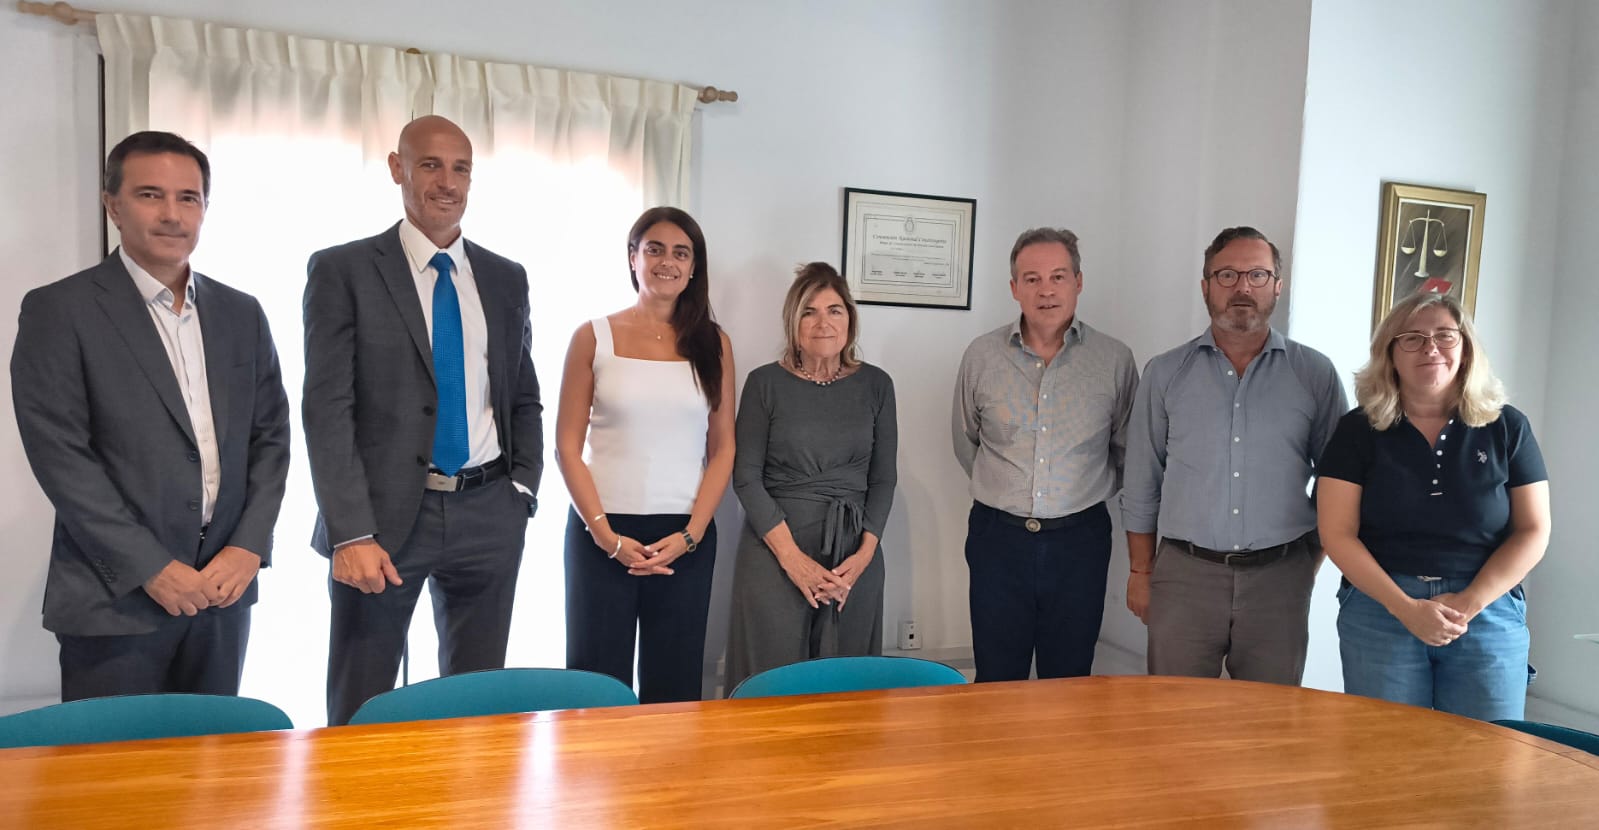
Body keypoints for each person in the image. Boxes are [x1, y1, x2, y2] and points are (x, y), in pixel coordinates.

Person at [11, 130, 291, 700]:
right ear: (112, 205)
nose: (171, 214)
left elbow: (270, 440)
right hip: (115, 601)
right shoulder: (59, 310)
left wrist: (248, 547)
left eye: (188, 197)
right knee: (113, 760)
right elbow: (63, 459)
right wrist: (151, 568)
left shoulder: (242, 313)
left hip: (222, 593)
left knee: (214, 754)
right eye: (149, 195)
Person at [303, 115, 542, 726]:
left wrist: (521, 491)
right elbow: (327, 410)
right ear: (397, 169)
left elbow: (522, 395)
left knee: (475, 708)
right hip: (381, 523)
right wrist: (350, 533)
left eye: (460, 168)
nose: (447, 182)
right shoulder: (343, 270)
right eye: (430, 165)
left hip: (488, 512)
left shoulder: (506, 277)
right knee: (362, 702)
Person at [1121, 226, 1346, 685]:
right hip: (1184, 577)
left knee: (1268, 718)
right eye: (1227, 275)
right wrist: (1140, 571)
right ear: (1206, 286)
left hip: (1280, 579)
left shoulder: (1314, 374)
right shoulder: (1165, 373)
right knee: (1174, 713)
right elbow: (1142, 480)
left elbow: (1339, 481)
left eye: (1257, 275)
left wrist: (1308, 562)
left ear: (1277, 287)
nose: (1242, 288)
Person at [1317, 292, 1549, 720]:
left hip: (1487, 610)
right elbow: (1336, 532)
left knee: (1488, 752)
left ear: (1466, 348)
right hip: (1381, 611)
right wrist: (1405, 608)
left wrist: (1468, 604)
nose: (1431, 348)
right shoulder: (1356, 430)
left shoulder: (1507, 426)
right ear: (1390, 354)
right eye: (1412, 338)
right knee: (1387, 749)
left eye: (1445, 335)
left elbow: (1534, 530)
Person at [554, 206, 735, 703]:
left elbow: (723, 446)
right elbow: (566, 447)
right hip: (601, 532)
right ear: (633, 257)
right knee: (595, 689)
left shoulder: (714, 344)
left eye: (681, 253)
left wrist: (691, 535)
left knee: (674, 691)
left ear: (694, 267)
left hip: (684, 538)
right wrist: (605, 537)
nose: (667, 262)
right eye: (654, 249)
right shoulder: (592, 336)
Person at [952, 228, 1138, 682]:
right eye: (1032, 279)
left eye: (1058, 276)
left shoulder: (1114, 359)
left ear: (1078, 281)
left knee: (1069, 679)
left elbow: (1126, 449)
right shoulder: (982, 355)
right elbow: (966, 440)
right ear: (1014, 287)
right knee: (997, 678)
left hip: (1080, 541)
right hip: (998, 539)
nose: (1046, 290)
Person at [726, 263, 898, 691]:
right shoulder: (763, 383)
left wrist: (863, 556)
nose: (824, 322)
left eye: (834, 310)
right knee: (772, 686)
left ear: (849, 319)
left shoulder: (877, 385)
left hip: (852, 558)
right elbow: (745, 477)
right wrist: (793, 560)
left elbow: (883, 479)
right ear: (793, 321)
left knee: (846, 690)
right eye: (810, 311)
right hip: (774, 552)